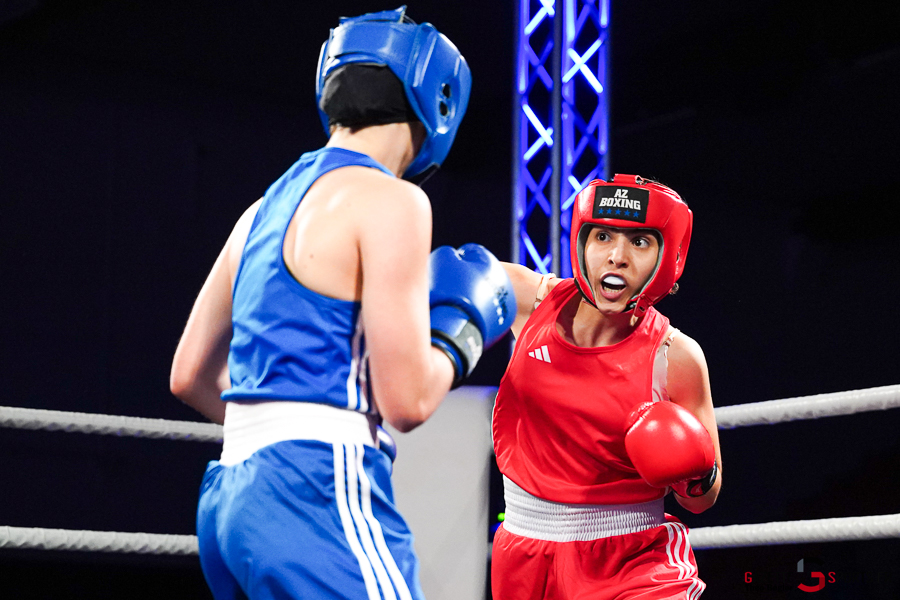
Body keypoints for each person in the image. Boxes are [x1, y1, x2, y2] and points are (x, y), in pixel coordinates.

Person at [169, 7, 516, 600]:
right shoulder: (393, 202)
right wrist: (467, 327)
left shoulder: (258, 213)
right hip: (318, 489)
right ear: (439, 100)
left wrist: (280, 430)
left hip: (230, 501)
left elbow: (187, 376)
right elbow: (407, 401)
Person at [492, 175, 722, 599]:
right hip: (522, 551)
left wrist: (692, 466)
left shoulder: (676, 356)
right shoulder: (530, 302)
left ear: (667, 256)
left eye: (640, 242)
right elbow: (424, 273)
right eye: (602, 236)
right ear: (581, 244)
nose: (617, 257)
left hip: (633, 559)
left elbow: (702, 499)